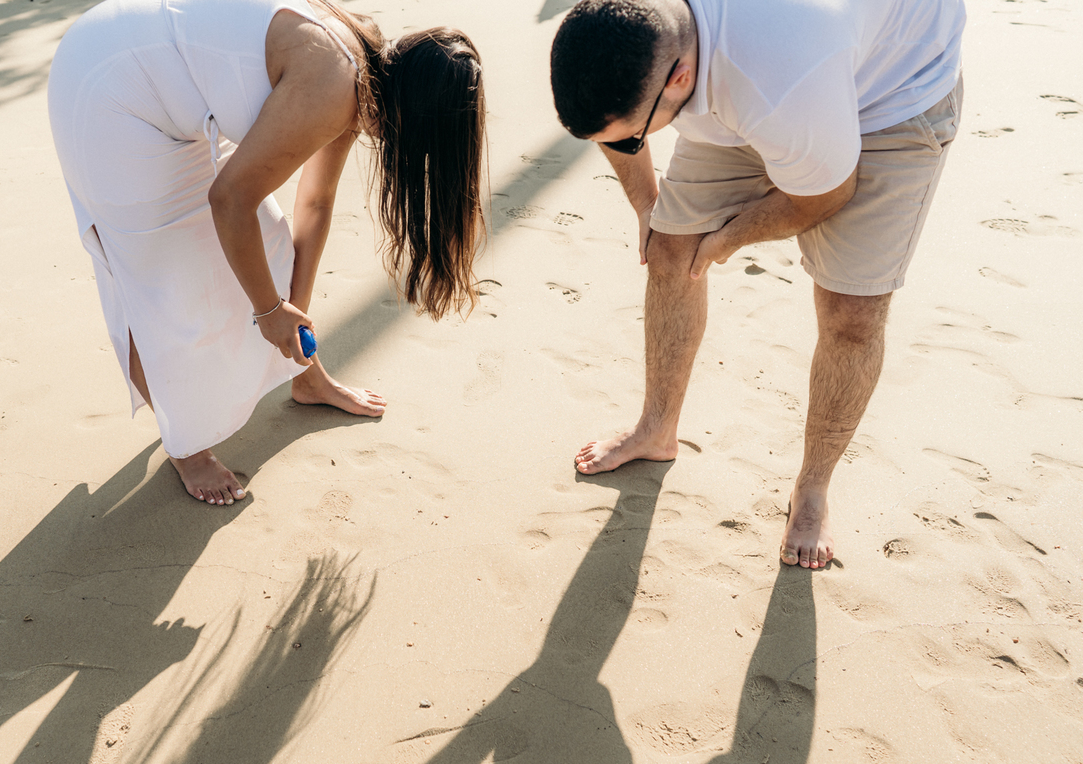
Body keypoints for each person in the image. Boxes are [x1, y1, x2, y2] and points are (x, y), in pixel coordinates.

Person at [550, 0, 964, 568]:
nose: (624, 146)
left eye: (631, 140)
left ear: (681, 76)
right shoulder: (638, 32)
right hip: (763, 72)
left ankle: (812, 488)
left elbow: (825, 194)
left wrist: (730, 237)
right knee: (670, 248)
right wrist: (650, 207)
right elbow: (613, 116)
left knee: (852, 314)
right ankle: (656, 430)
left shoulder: (784, 81)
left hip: (893, 89)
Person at [48, 0, 485, 506]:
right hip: (108, 85)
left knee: (269, 241)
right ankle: (185, 445)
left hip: (169, 91)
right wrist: (268, 311)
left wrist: (292, 333)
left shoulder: (365, 72)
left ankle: (308, 380)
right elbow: (230, 201)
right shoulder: (333, 84)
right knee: (160, 274)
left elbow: (315, 203)